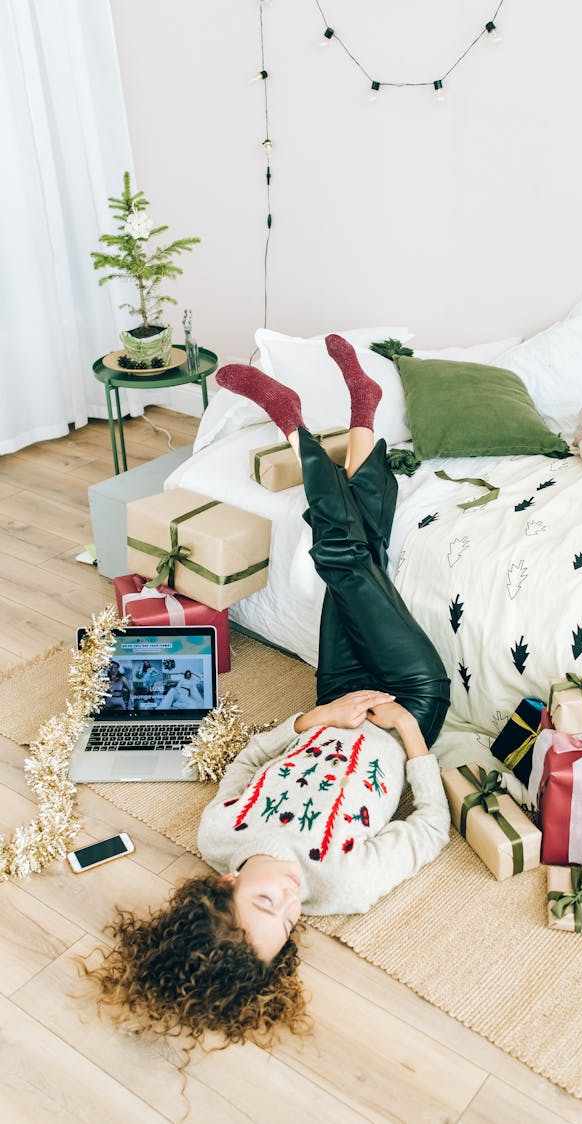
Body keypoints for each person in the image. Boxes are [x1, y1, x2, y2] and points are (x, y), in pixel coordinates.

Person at [81, 335, 451, 1053]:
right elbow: (430, 829)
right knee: (344, 554)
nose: (288, 901)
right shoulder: (343, 885)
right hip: (409, 699)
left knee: (359, 550)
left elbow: (250, 761)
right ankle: (299, 422)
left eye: (264, 903)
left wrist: (319, 717)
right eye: (283, 925)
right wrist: (406, 734)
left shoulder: (219, 836)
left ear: (221, 886)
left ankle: (353, 416)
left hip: (336, 696)